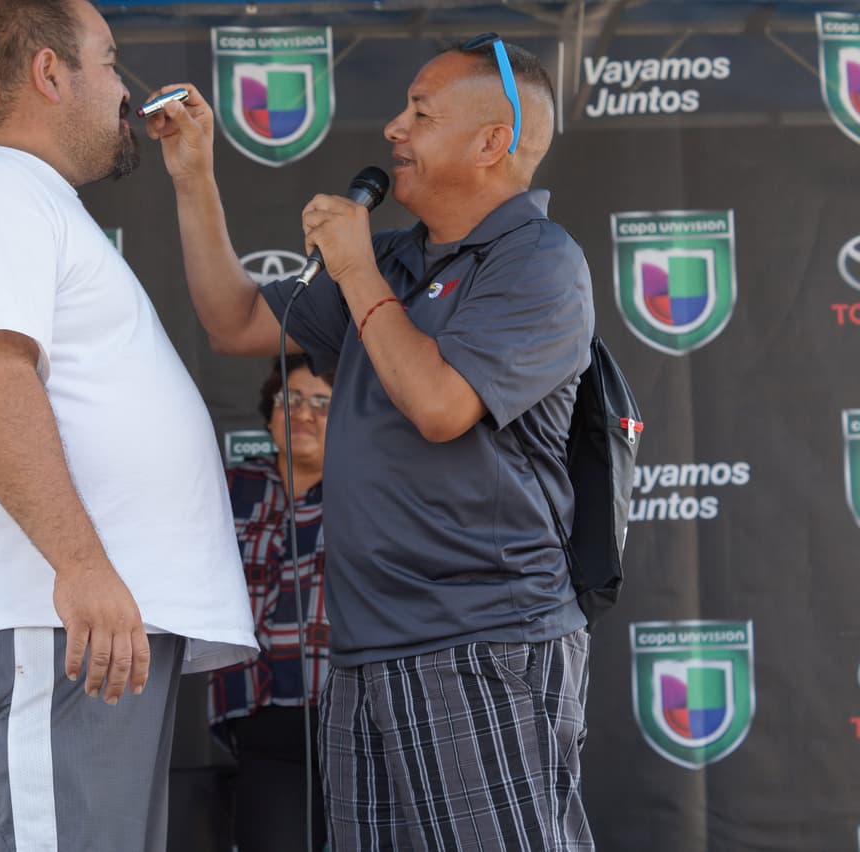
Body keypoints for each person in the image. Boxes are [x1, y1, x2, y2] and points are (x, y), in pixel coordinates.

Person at [146, 35, 596, 851]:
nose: (393, 129)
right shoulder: (395, 255)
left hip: (481, 640)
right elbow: (238, 319)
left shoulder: (539, 263)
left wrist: (356, 270)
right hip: (360, 649)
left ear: (493, 142)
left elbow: (440, 406)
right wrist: (193, 178)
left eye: (420, 114)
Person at [0, 1, 256, 851]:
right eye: (111, 61)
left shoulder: (21, 198)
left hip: (75, 631)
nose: (126, 89)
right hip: (39, 621)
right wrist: (81, 565)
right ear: (50, 73)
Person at [209, 355, 333, 852]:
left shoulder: (373, 491)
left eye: (323, 404)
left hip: (357, 722)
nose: (303, 413)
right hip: (259, 719)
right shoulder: (226, 488)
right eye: (292, 399)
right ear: (270, 412)